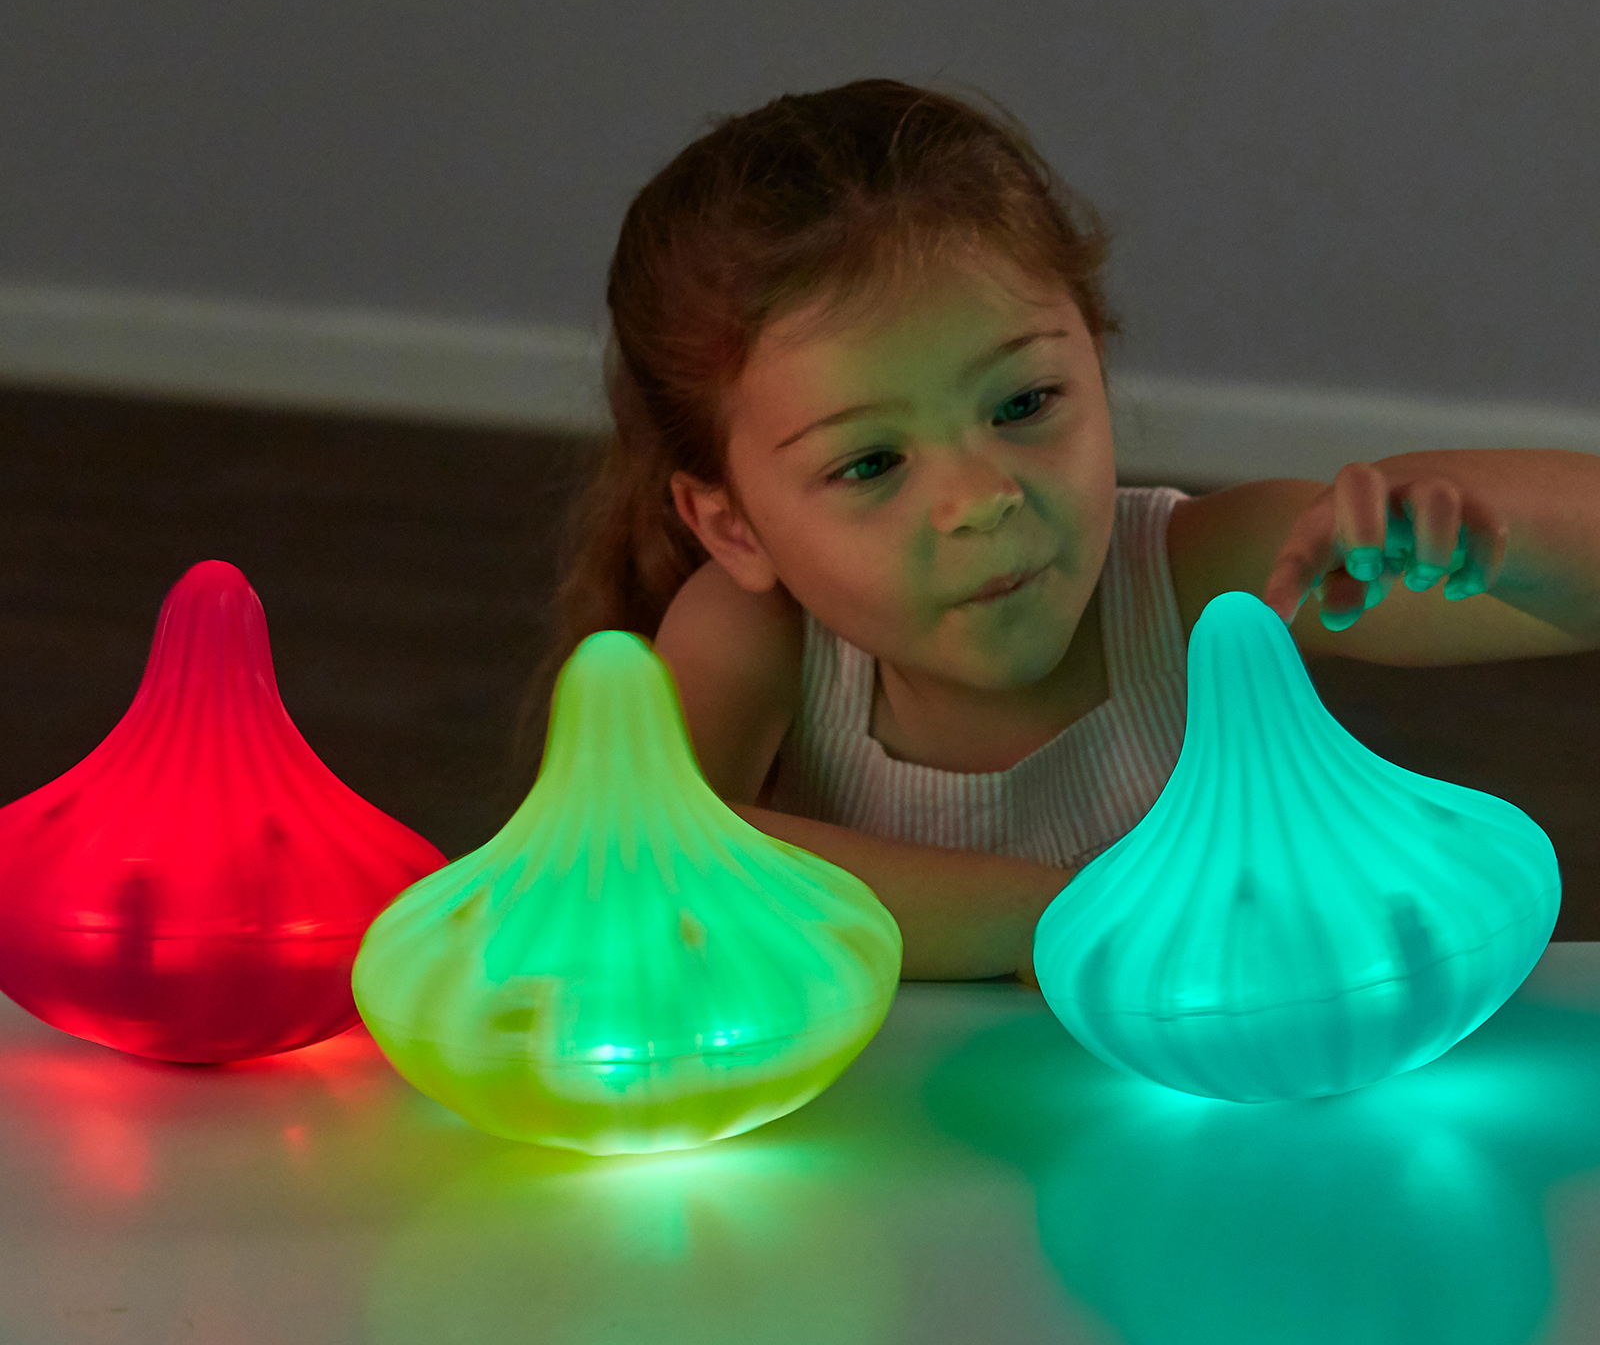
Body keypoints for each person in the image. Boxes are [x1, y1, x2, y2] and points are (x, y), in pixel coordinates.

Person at [520, 77, 1600, 987]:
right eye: (870, 463)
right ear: (734, 526)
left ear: (1095, 352)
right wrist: (1075, 918)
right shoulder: (754, 637)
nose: (981, 498)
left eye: (1025, 403)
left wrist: (1486, 526)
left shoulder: (1203, 576)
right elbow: (643, 851)